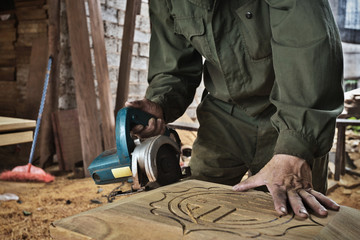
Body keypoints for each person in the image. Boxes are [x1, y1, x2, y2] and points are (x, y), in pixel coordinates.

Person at [126, 0, 343, 218]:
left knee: (296, 216)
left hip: (289, 112)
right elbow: (173, 69)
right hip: (223, 118)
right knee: (193, 207)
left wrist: (296, 145)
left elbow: (310, 50)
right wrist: (161, 102)